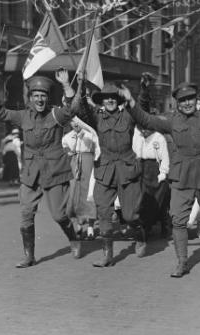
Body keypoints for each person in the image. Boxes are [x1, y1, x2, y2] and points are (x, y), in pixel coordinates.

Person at [122, 81, 200, 278]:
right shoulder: (171, 121)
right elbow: (147, 120)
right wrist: (132, 102)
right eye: (182, 100)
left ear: (196, 99)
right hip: (182, 174)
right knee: (178, 219)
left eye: (190, 99)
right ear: (177, 103)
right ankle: (182, 261)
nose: (187, 103)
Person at [0, 71, 80, 268]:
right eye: (36, 96)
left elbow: (72, 109)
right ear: (30, 98)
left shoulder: (55, 114)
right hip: (31, 172)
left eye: (43, 96)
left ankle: (73, 237)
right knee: (26, 212)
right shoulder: (23, 116)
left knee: (58, 215)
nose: (39, 99)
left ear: (47, 98)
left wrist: (66, 85)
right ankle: (29, 256)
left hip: (54, 171)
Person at [71, 77, 147, 267]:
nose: (110, 100)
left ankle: (140, 236)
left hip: (127, 169)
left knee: (130, 216)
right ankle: (107, 254)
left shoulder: (128, 115)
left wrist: (142, 90)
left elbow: (142, 110)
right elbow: (81, 110)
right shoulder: (97, 117)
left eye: (113, 97)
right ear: (102, 101)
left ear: (118, 99)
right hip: (105, 169)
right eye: (106, 98)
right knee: (103, 211)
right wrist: (78, 90)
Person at [134, 74, 171, 237]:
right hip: (140, 169)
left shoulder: (159, 137)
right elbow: (140, 108)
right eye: (143, 126)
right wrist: (144, 89)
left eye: (148, 126)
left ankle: (164, 225)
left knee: (160, 200)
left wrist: (163, 174)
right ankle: (144, 227)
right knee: (141, 201)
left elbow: (165, 158)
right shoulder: (136, 133)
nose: (145, 129)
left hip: (155, 170)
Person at [62, 119, 99, 249]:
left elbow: (96, 148)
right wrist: (68, 152)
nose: (76, 125)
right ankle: (78, 225)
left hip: (88, 163)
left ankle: (90, 227)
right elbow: (64, 149)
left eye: (78, 122)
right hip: (74, 165)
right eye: (73, 122)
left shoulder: (90, 135)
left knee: (88, 193)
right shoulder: (67, 137)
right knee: (74, 194)